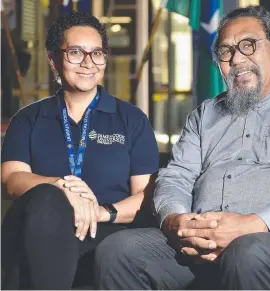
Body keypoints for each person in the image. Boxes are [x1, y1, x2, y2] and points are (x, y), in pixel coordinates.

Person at [95, 5, 270, 290]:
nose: (236, 59)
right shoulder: (205, 114)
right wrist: (178, 221)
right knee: (120, 251)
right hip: (198, 242)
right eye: (225, 51)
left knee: (249, 252)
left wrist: (253, 224)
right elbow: (176, 176)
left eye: (248, 45)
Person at [1, 12, 159, 290]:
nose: (88, 62)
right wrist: (62, 188)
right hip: (40, 232)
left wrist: (100, 211)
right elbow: (12, 180)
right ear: (53, 58)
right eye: (76, 52)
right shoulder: (28, 119)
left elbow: (146, 197)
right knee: (47, 201)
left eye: (97, 53)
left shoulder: (131, 119)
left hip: (106, 236)